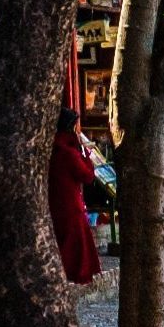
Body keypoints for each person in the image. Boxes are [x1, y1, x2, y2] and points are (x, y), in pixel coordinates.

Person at [50, 108, 107, 286]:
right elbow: (87, 175)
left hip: (55, 200)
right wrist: (86, 155)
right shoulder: (69, 151)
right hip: (70, 202)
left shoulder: (53, 147)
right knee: (73, 243)